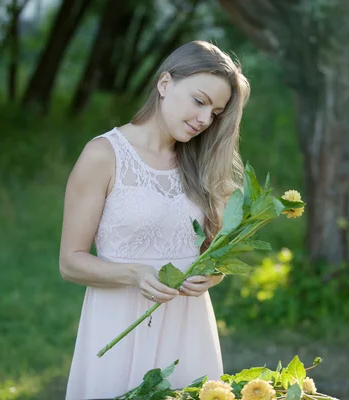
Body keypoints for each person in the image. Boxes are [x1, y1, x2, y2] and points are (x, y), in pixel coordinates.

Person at [59, 40, 251, 399]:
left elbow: (213, 252)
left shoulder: (203, 165)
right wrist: (135, 274)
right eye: (200, 101)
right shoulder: (103, 155)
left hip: (187, 325)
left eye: (216, 112)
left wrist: (213, 273)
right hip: (118, 321)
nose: (205, 119)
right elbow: (70, 263)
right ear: (165, 84)